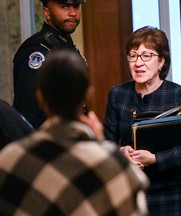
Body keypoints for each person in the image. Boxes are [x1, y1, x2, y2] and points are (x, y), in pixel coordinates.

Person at [0, 50, 149, 216]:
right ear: (88, 94)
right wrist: (101, 145)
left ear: (40, 97)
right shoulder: (115, 164)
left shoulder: (9, 159)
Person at [103, 26, 181, 216]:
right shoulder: (118, 94)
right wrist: (119, 153)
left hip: (171, 195)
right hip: (130, 194)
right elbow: (104, 145)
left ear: (161, 62)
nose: (138, 63)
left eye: (146, 56)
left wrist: (155, 159)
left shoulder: (177, 94)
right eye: (133, 56)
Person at [13, 0, 86, 129]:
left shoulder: (65, 44)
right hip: (47, 143)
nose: (73, 13)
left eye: (76, 6)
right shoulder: (38, 51)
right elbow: (30, 113)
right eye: (64, 6)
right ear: (47, 13)